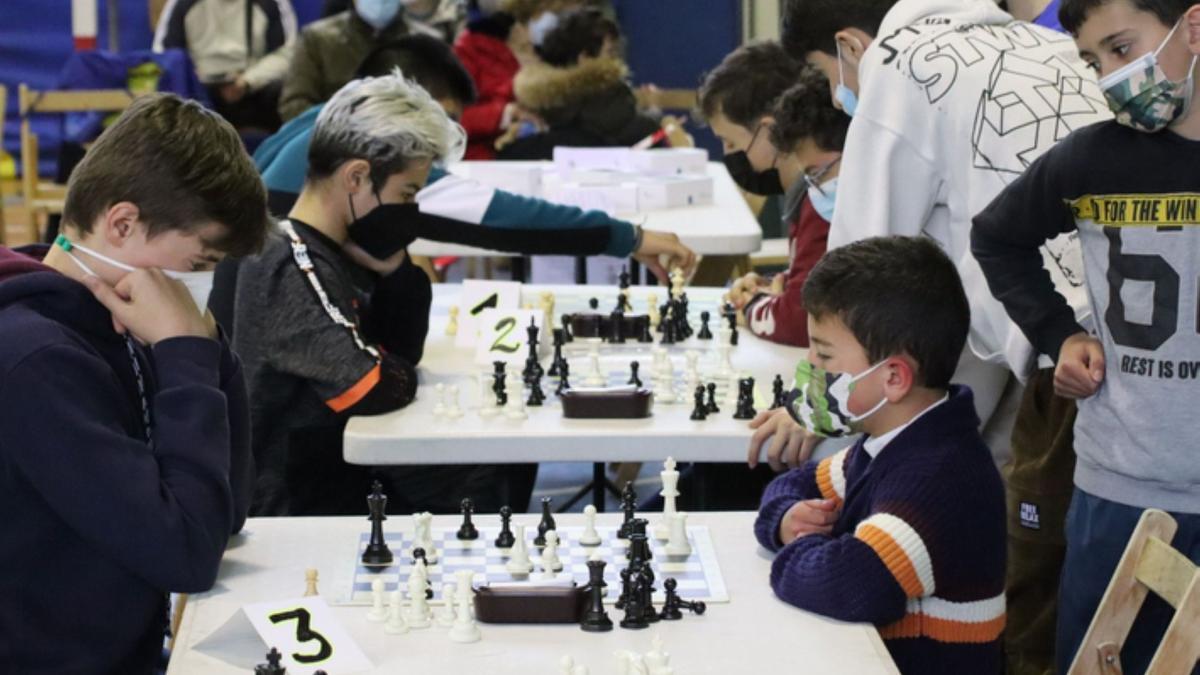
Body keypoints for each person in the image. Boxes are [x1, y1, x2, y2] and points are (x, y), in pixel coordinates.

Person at [234, 73, 695, 517]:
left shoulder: (344, 245)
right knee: (489, 470)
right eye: (408, 192)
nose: (412, 210)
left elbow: (403, 350)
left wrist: (396, 272)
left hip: (343, 466)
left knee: (506, 453)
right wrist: (390, 367)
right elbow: (373, 385)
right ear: (356, 178)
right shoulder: (292, 261)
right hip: (308, 498)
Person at [0, 94, 267, 673]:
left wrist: (207, 346)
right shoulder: (32, 359)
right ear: (121, 223)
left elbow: (228, 510)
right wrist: (186, 354)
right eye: (199, 265)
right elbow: (187, 554)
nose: (203, 286)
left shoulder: (128, 324)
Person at [972, 2, 1200, 673]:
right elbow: (996, 237)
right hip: (1118, 489)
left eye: (1123, 48)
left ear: (1192, 27)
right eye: (1095, 61)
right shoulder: (1092, 156)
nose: (1111, 77)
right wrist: (1060, 334)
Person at [754, 236, 1006, 675]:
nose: (810, 363)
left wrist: (798, 545)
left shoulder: (941, 475)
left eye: (825, 353)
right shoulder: (894, 442)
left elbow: (854, 584)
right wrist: (788, 516)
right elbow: (795, 484)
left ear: (893, 378)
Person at [727, 69, 847, 349]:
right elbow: (811, 290)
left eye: (817, 172)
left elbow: (799, 321)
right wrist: (775, 286)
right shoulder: (821, 200)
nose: (812, 187)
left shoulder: (822, 213)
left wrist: (749, 305)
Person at [498, 7, 660, 159]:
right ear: (585, 58)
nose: (616, 61)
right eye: (610, 52)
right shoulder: (614, 112)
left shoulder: (531, 117)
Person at [278, 0, 440, 121]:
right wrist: (344, 127)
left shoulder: (426, 43)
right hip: (332, 150)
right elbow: (293, 105)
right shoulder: (317, 39)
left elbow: (440, 107)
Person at [154, 0, 298, 131]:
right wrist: (190, 74)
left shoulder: (271, 3)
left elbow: (286, 54)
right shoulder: (182, 4)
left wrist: (248, 81)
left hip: (252, 87)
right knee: (172, 97)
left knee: (286, 92)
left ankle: (279, 152)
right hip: (199, 90)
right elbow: (165, 56)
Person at [454, 0, 538, 159]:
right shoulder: (468, 49)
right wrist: (504, 113)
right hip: (487, 158)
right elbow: (453, 118)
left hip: (543, 147)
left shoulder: (545, 36)